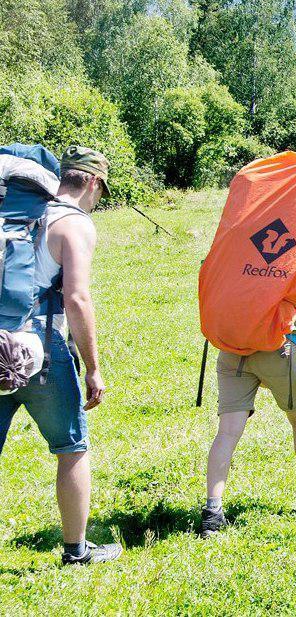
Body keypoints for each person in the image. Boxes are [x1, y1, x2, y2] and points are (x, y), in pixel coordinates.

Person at [0, 147, 120, 565]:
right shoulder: (73, 224)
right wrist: (93, 368)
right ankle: (76, 551)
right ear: (91, 181)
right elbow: (77, 299)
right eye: (101, 191)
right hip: (39, 346)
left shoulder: (16, 215)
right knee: (71, 448)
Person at [201, 277, 296, 538]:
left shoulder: (238, 246)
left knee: (227, 433)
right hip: (279, 349)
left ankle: (212, 514)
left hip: (233, 349)